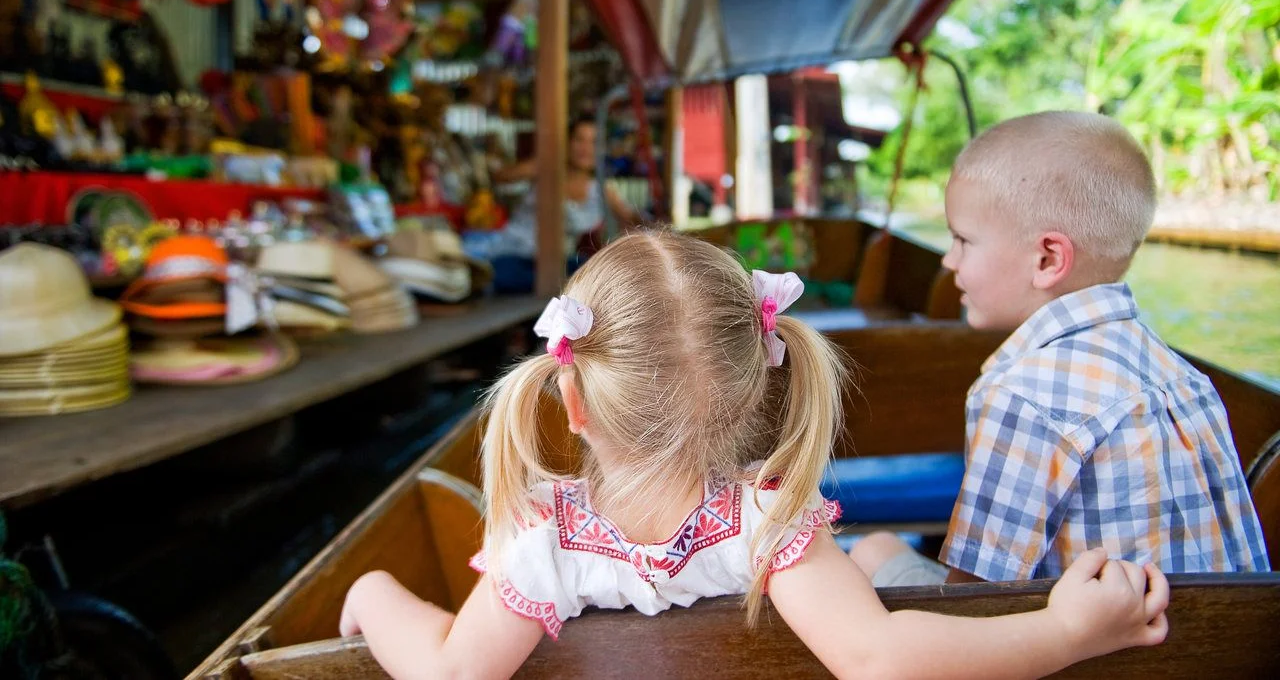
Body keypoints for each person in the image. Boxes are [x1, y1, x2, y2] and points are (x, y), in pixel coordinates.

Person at [340, 230, 1169, 680]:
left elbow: (450, 673)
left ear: (572, 401)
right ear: (753, 390)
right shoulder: (766, 523)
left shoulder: (541, 545)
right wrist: (1063, 631)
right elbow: (880, 660)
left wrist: (376, 593)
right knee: (886, 554)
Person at [851, 111, 1269, 589]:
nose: (948, 260)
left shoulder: (1020, 394)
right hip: (1221, 644)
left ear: (1048, 259)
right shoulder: (1183, 377)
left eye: (963, 240)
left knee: (872, 548)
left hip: (1090, 657)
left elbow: (974, 597)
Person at [467, 115, 645, 293]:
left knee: (592, 271)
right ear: (567, 143)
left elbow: (634, 221)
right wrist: (540, 165)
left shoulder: (600, 190)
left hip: (555, 265)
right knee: (507, 275)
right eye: (579, 140)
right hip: (514, 256)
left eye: (593, 142)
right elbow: (499, 177)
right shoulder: (545, 168)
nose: (585, 148)